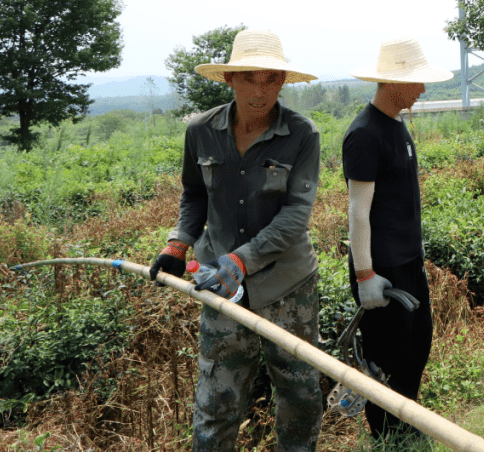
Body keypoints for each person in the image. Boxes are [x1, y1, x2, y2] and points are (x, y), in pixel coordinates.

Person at [149, 29, 323, 452]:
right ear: (229, 80)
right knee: (215, 402)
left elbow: (296, 215)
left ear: (282, 82)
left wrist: (242, 260)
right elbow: (194, 194)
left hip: (288, 288)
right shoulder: (201, 131)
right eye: (249, 78)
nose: (260, 91)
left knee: (299, 396)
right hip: (220, 288)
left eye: (270, 79)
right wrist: (178, 243)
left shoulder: (303, 135)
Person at [341, 37, 452, 442]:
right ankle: (389, 435)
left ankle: (407, 421)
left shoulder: (396, 125)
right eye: (416, 82)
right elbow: (358, 211)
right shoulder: (365, 134)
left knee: (417, 345)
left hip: (408, 262)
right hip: (381, 268)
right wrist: (365, 274)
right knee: (386, 356)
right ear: (392, 83)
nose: (422, 89)